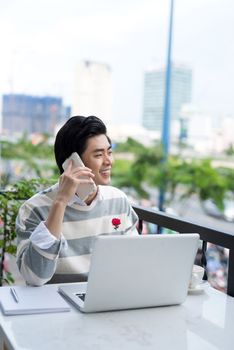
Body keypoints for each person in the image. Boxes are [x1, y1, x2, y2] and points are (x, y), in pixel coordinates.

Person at [16, 116, 138, 286]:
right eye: (98, 154)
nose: (109, 161)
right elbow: (35, 276)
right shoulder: (34, 209)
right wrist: (60, 202)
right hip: (56, 305)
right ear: (72, 163)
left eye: (109, 152)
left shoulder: (118, 200)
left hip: (107, 298)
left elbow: (134, 259)